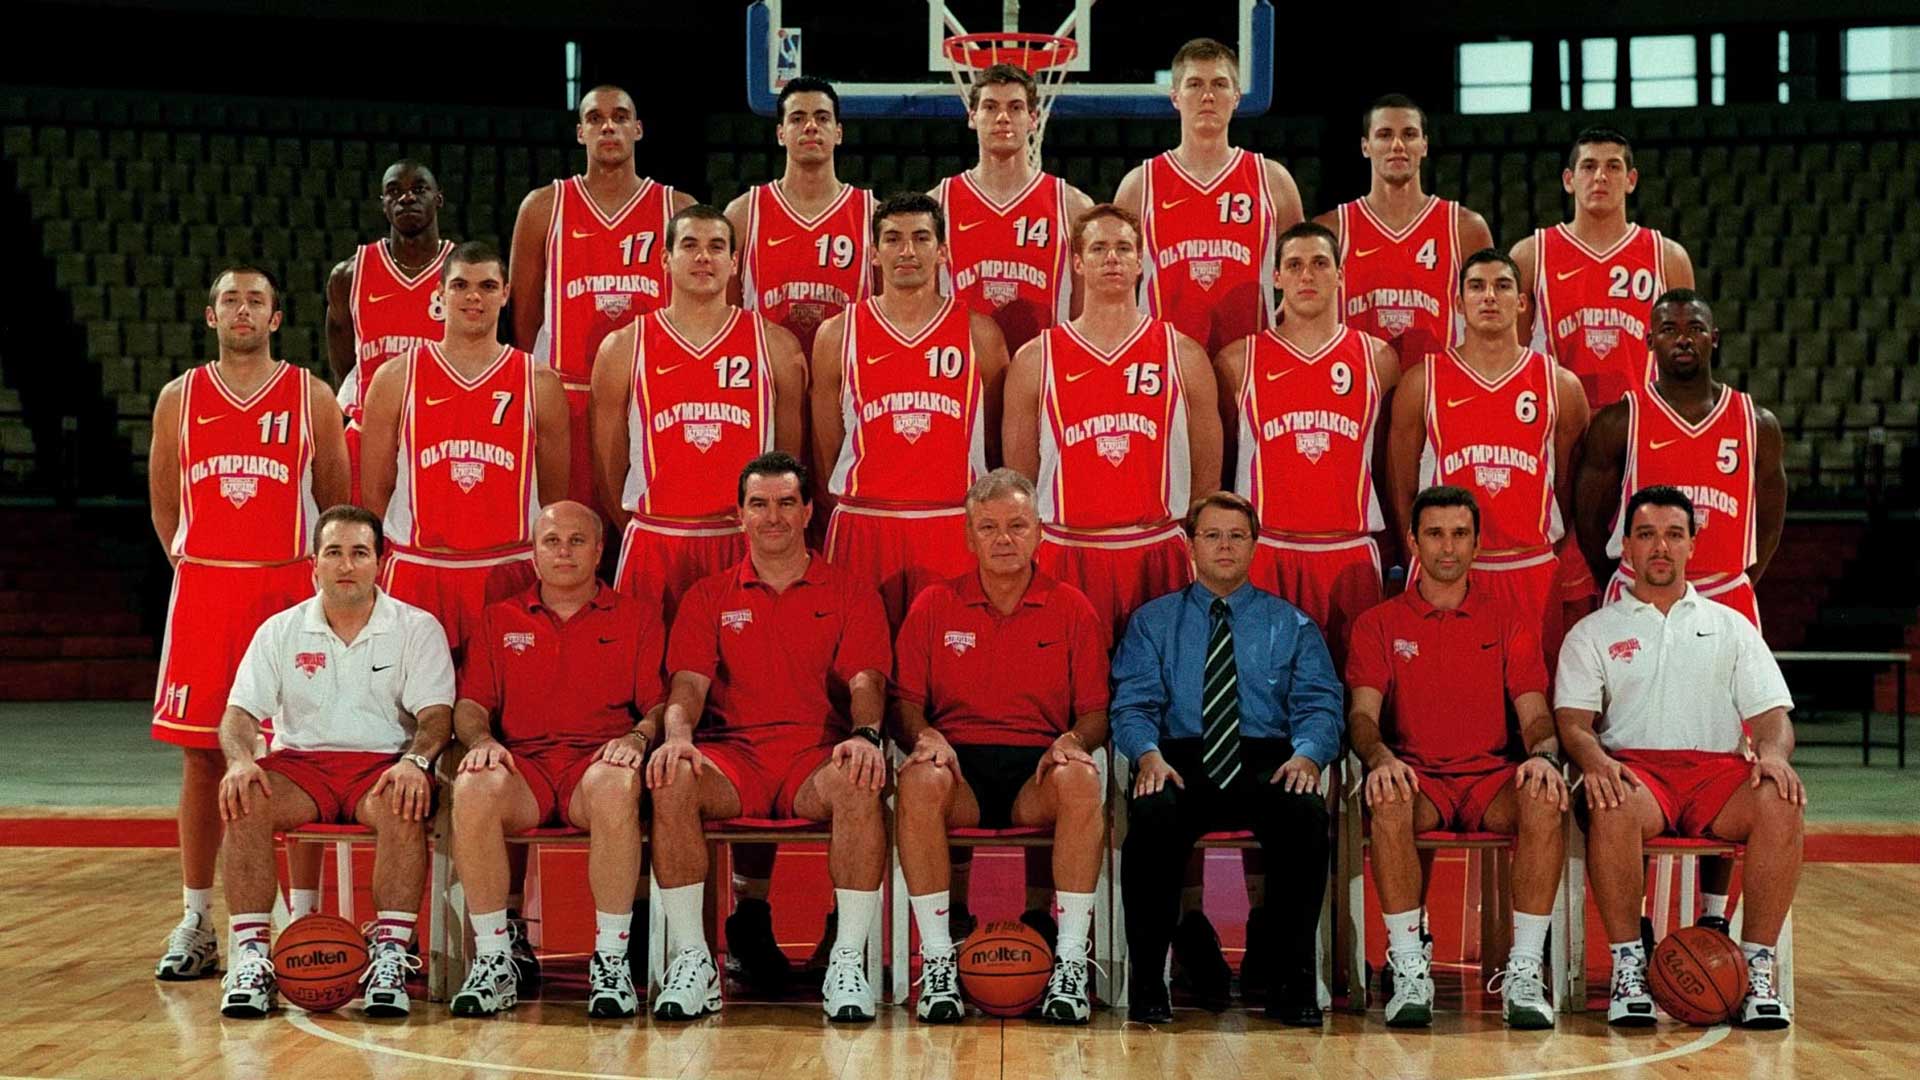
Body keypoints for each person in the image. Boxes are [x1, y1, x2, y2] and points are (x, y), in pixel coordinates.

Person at [148, 265, 348, 981]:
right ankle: (197, 919)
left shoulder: (311, 395)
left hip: (286, 590)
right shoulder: (178, 397)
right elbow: (165, 506)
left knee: (303, 751)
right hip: (206, 590)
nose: (242, 310)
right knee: (203, 757)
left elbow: (336, 502)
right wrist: (200, 565)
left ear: (275, 318)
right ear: (211, 316)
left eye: (255, 300)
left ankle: (304, 918)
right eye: (230, 300)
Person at [645, 452, 892, 1023]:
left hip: (814, 758)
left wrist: (865, 735)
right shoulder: (709, 595)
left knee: (860, 777)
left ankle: (846, 961)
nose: (772, 516)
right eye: (759, 504)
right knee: (672, 775)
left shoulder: (851, 591)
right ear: (740, 515)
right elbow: (687, 686)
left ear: (807, 512)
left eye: (786, 503)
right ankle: (694, 961)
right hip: (736, 761)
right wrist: (676, 737)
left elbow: (867, 679)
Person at [1555, 485, 1802, 1029]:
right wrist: (1596, 762)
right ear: (1626, 547)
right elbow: (1573, 724)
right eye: (1646, 535)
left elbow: (1771, 716)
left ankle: (1756, 968)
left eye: (1673, 535)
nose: (1660, 547)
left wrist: (1773, 754)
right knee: (1611, 799)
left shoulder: (1731, 626)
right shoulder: (1593, 631)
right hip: (1637, 774)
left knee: (1781, 800)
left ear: (1693, 544)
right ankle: (1628, 966)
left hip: (1717, 775)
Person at [213, 505, 456, 1019]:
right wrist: (239, 761)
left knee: (404, 799)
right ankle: (252, 957)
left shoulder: (416, 627)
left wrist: (415, 762)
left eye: (360, 553)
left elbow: (436, 717)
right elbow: (238, 715)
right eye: (334, 553)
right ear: (315, 564)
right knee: (244, 797)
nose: (346, 565)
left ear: (380, 563)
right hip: (303, 768)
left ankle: (390, 955)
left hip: (383, 766)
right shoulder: (280, 630)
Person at [1110, 491, 1343, 1026]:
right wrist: (1147, 754)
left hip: (1269, 759)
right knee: (1152, 815)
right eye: (1212, 535)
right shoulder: (1153, 622)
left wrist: (1308, 756)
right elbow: (1133, 704)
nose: (1225, 546)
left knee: (1304, 815)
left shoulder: (1292, 624)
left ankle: (1292, 984)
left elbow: (1320, 704)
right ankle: (1149, 984)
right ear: (1191, 545)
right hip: (1179, 759)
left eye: (1237, 536)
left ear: (1255, 546)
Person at [893, 470, 1110, 1025]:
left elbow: (1095, 712)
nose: (1004, 538)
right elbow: (906, 704)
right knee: (918, 779)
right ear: (969, 537)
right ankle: (939, 962)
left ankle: (1070, 964)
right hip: (958, 770)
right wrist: (924, 735)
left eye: (1017, 525)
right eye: (988, 527)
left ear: (1040, 532)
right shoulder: (934, 604)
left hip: (1035, 771)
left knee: (1082, 778)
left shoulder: (1072, 608)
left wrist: (1073, 740)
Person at [1346, 485, 1566, 1029]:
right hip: (1418, 778)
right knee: (1388, 797)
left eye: (1460, 534)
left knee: (1543, 797)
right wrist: (1380, 758)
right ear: (1414, 541)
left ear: (1477, 543)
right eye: (1436, 534)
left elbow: (1535, 714)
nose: (1448, 547)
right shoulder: (1378, 623)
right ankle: (1408, 967)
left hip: (1490, 780)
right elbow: (1362, 717)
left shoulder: (1508, 619)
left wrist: (1543, 755)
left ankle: (1523, 970)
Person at [446, 501, 666, 1019]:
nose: (563, 551)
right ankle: (495, 959)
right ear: (534, 553)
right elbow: (471, 705)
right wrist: (480, 740)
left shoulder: (637, 616)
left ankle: (611, 961)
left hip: (595, 766)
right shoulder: (500, 618)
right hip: (526, 769)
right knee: (473, 786)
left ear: (599, 551)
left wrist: (638, 737)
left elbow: (658, 705)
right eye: (551, 541)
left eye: (576, 540)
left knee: (615, 783)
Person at [1003, 204, 1220, 646]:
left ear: (1140, 262)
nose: (1112, 258)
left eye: (1124, 248)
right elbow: (1020, 477)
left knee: (1159, 681)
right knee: (1067, 680)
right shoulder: (1036, 357)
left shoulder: (1183, 353)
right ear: (1078, 263)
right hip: (1067, 552)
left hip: (1156, 551)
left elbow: (1207, 477)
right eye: (1099, 248)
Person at [589, 204, 809, 626]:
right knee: (647, 664)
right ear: (665, 259)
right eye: (690, 245)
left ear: (734, 261)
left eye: (716, 247)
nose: (704, 257)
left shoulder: (776, 345)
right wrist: (646, 521)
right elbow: (607, 465)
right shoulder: (623, 346)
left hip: (742, 540)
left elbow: (787, 461)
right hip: (656, 539)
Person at [359, 240, 569, 657]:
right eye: (461, 285)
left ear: (506, 294)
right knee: (408, 697)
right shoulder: (396, 377)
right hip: (419, 571)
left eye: (487, 286)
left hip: (507, 572)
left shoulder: (539, 382)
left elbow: (553, 495)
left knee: (508, 699)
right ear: (439, 293)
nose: (474, 296)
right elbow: (376, 491)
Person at [813, 192, 1011, 628]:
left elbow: (995, 444)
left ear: (942, 252)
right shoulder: (837, 334)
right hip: (864, 521)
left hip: (950, 521)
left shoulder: (980, 333)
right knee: (857, 654)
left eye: (921, 238)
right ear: (873, 253)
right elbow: (825, 446)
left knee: (955, 653)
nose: (907, 251)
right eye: (893, 239)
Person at [1388, 249, 1589, 667]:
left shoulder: (1560, 386)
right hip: (1449, 568)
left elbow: (1569, 489)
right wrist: (1423, 558)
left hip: (1530, 567)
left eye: (1502, 286)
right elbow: (1403, 486)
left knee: (1533, 697)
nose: (1490, 296)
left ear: (1522, 302)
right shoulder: (1423, 380)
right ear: (1459, 303)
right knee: (1446, 694)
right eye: (1477, 286)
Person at [1217, 220, 1399, 670]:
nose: (1307, 275)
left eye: (1319, 263)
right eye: (1294, 265)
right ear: (1276, 277)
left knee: (1353, 685)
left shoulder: (1378, 358)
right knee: (1261, 687)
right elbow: (1224, 465)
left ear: (1340, 274)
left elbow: (1386, 466)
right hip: (1267, 549)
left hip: (1348, 552)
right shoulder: (1238, 360)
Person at [509, 85, 695, 510]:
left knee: (653, 518)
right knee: (568, 526)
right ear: (580, 132)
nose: (608, 126)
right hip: (568, 397)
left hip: (652, 396)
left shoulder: (677, 208)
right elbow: (524, 319)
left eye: (620, 117)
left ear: (638, 129)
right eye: (595, 119)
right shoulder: (543, 207)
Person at [1576, 289, 1787, 629]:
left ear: (1713, 338)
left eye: (1695, 329)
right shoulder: (1620, 421)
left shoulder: (1756, 423)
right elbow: (1589, 524)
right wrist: (1632, 582)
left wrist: (1735, 583)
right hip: (1641, 593)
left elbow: (1770, 525)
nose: (1683, 339)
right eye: (1669, 329)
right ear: (1650, 341)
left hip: (1724, 594)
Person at [1114, 38, 1304, 355]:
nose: (1207, 95)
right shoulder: (1139, 184)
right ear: (1175, 97)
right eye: (1194, 84)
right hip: (1163, 362)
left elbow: (1303, 278)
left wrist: (1275, 330)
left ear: (1237, 96)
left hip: (1251, 361)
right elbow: (1114, 287)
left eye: (1219, 84)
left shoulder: (1272, 180)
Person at [1512, 127, 1696, 411]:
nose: (1600, 176)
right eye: (1588, 166)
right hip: (1558, 420)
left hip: (1641, 421)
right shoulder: (1531, 254)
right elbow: (1512, 355)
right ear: (1569, 180)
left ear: (1631, 180)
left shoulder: (1668, 257)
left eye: (1613, 166)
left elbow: (1686, 359)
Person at [1314, 94, 1493, 370]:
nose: (1397, 145)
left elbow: (1490, 322)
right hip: (1355, 386)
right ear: (1365, 146)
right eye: (1385, 135)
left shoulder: (1464, 228)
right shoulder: (1332, 229)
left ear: (1424, 145)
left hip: (1438, 387)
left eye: (1409, 134)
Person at [933, 63, 1096, 352]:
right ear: (972, 117)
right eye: (990, 107)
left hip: (1046, 367)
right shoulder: (938, 203)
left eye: (1016, 107)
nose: (1003, 118)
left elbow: (1086, 314)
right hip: (962, 368)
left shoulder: (1073, 205)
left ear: (1033, 118)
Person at [325, 159, 452, 505]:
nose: (406, 198)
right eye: (394, 191)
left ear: (438, 198)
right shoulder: (350, 275)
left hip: (441, 436)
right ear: (383, 204)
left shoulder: (462, 276)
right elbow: (342, 357)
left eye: (419, 189)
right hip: (369, 435)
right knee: (360, 533)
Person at [726, 77, 875, 352]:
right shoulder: (744, 213)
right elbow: (725, 314)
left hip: (846, 369)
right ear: (780, 133)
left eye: (822, 118)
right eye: (797, 118)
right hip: (767, 369)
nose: (810, 126)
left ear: (838, 133)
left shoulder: (871, 214)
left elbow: (886, 311)